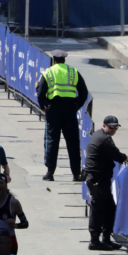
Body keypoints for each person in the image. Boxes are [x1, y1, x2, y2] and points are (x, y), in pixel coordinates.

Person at [37, 49, 89, 181]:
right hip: (70, 110)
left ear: (53, 60)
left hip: (53, 110)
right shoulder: (73, 72)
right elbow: (84, 92)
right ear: (64, 60)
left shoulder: (48, 72)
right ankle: (76, 174)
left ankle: (50, 173)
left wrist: (43, 106)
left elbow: (40, 92)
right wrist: (76, 106)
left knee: (52, 141)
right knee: (72, 142)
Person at [83, 115, 128, 250]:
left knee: (109, 208)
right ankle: (94, 241)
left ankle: (106, 239)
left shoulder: (100, 134)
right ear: (104, 126)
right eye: (111, 127)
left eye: (116, 128)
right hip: (97, 181)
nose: (113, 130)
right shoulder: (104, 139)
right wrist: (125, 157)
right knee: (98, 210)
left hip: (101, 180)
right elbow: (117, 155)